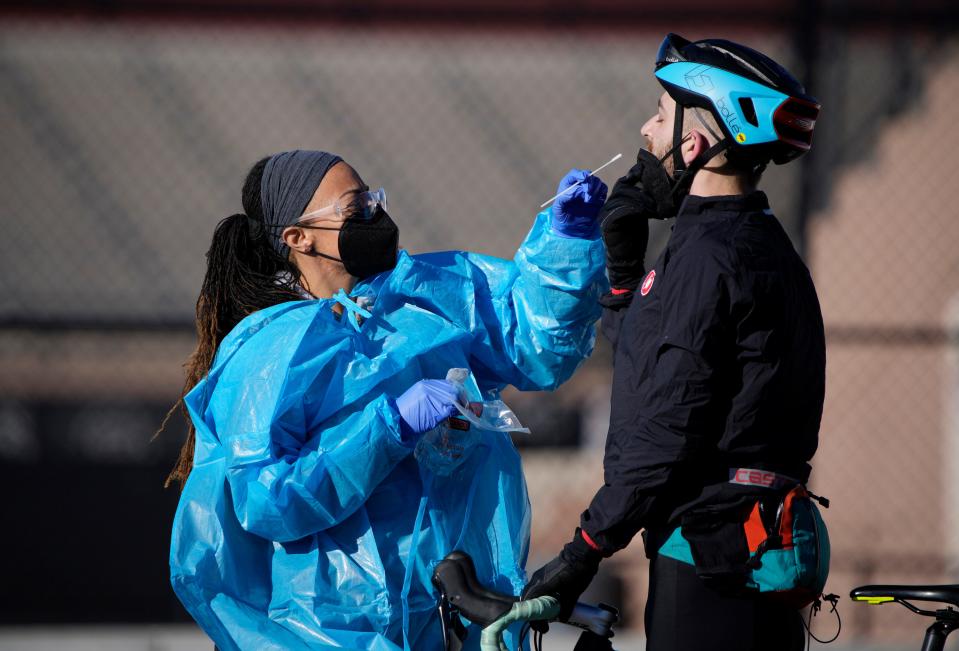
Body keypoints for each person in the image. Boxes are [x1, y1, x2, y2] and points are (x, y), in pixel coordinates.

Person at [161, 149, 608, 650]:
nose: (374, 216)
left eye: (373, 201)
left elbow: (535, 344)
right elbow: (269, 499)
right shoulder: (269, 354)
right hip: (333, 628)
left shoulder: (421, 299)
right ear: (297, 237)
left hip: (450, 614)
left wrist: (565, 242)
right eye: (355, 210)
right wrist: (388, 427)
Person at [523, 34, 826, 651]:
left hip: (709, 562)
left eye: (661, 116)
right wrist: (625, 265)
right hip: (754, 549)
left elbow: (662, 428)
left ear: (695, 143)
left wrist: (585, 549)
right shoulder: (759, 243)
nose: (645, 130)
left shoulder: (706, 258)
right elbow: (656, 362)